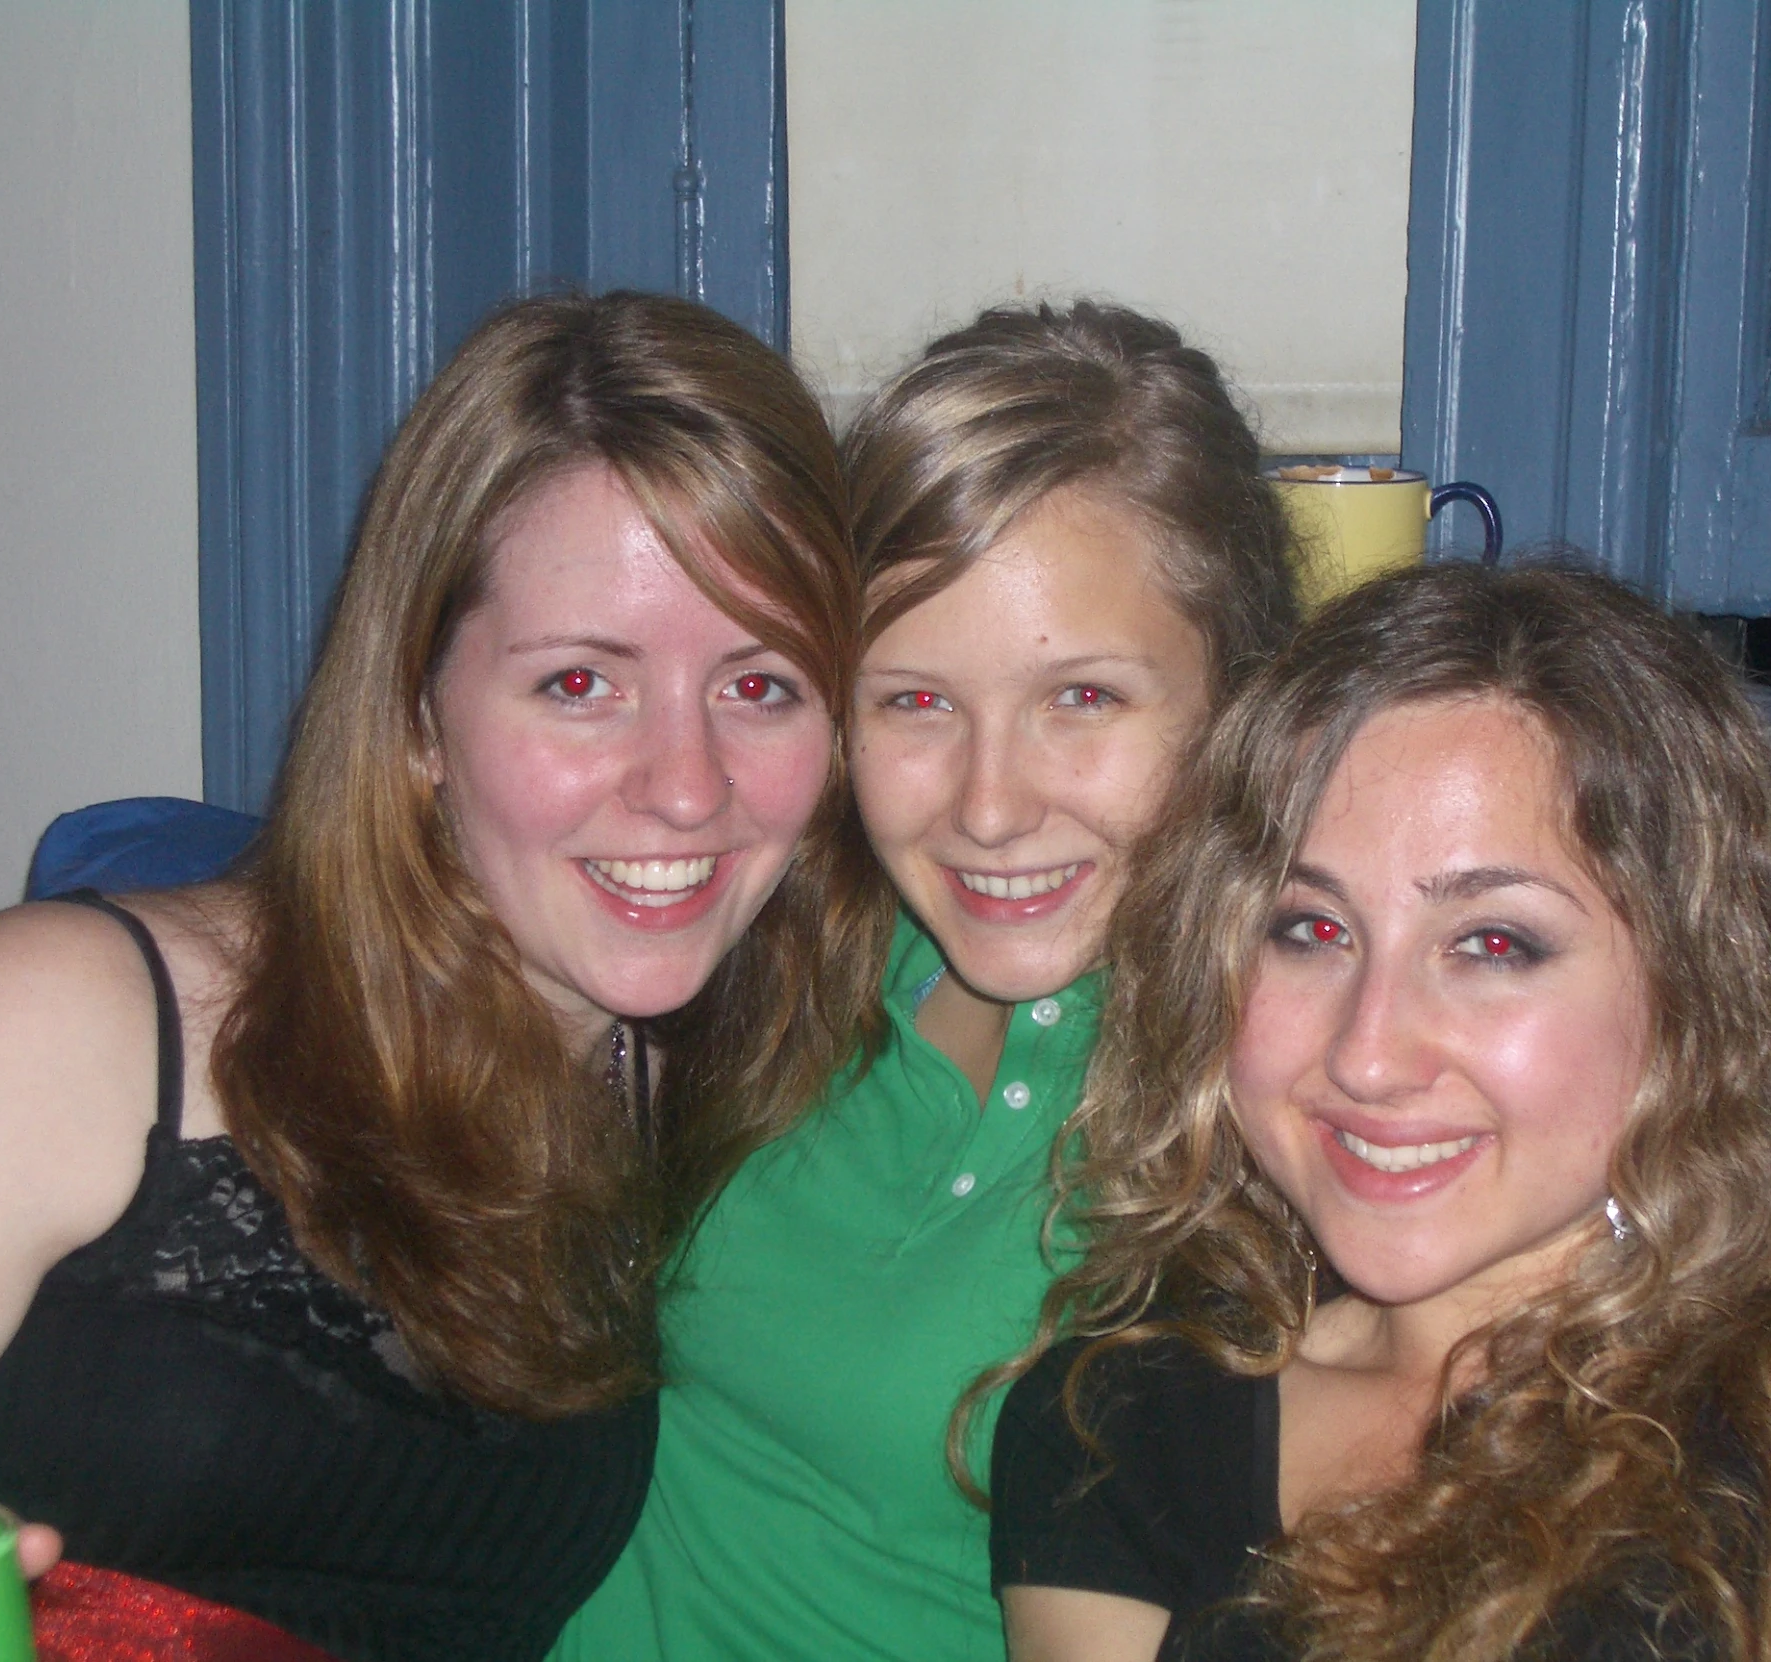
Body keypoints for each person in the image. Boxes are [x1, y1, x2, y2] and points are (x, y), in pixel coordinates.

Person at [989, 561, 1771, 1662]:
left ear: (1698, 986)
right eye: (1308, 929)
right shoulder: (1117, 1415)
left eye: (1493, 944)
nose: (1368, 1054)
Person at [0, 290, 863, 1662]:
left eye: (761, 686)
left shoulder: (724, 1103)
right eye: (579, 684)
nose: (687, 789)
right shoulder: (63, 1022)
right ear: (414, 712)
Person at [550, 300, 1300, 1662]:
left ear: (1237, 704)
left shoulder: (1291, 1105)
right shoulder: (777, 950)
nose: (990, 807)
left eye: (1083, 698)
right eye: (914, 700)